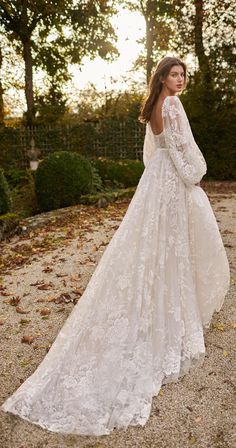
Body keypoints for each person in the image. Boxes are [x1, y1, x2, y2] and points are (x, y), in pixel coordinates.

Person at [1, 56, 230, 436]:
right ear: (162, 77)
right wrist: (194, 177)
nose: (181, 80)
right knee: (169, 249)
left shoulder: (154, 104)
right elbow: (179, 149)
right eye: (175, 74)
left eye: (183, 75)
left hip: (154, 182)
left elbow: (152, 154)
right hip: (171, 181)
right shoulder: (172, 104)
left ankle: (158, 306)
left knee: (154, 248)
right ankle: (166, 317)